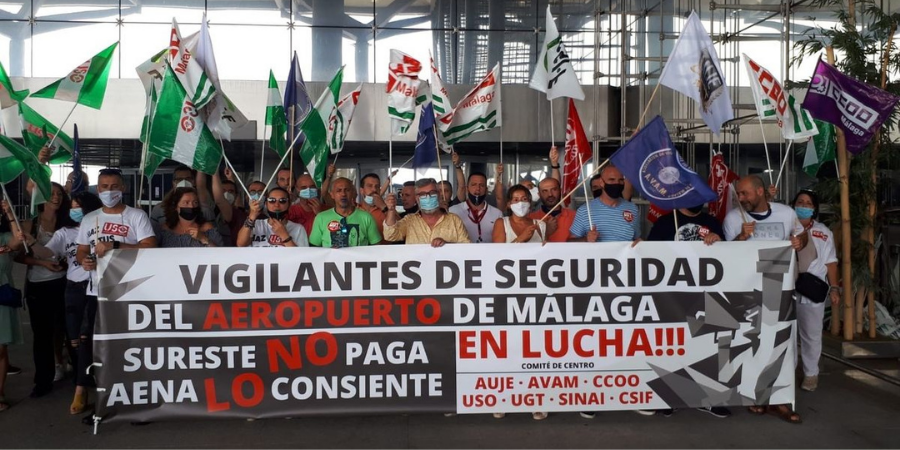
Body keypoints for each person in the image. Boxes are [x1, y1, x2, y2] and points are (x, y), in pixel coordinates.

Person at [723, 174, 805, 424]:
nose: (741, 198)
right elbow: (725, 257)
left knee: (783, 343)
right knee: (753, 342)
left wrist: (800, 241)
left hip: (781, 291)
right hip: (748, 293)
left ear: (760, 191)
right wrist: (740, 239)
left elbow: (802, 236)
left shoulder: (786, 213)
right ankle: (756, 396)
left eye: (745, 193)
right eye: (739, 194)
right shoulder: (733, 218)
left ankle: (781, 399)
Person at [75, 169, 156, 419]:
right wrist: (84, 261)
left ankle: (137, 399)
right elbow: (81, 250)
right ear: (97, 189)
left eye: (114, 185)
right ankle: (102, 398)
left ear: (123, 188)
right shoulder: (89, 219)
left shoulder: (136, 216)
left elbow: (150, 248)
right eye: (103, 186)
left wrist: (116, 246)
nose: (109, 191)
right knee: (98, 347)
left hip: (129, 292)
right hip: (97, 293)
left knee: (131, 347)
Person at [647, 204, 730, 419]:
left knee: (706, 346)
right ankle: (669, 398)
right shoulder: (665, 222)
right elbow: (648, 254)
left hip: (705, 292)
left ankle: (710, 399)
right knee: (671, 348)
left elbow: (730, 256)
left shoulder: (712, 223)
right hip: (671, 293)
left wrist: (719, 242)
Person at [26, 191, 103, 415]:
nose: (74, 210)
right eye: (72, 206)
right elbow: (48, 252)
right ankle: (82, 384)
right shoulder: (65, 232)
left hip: (99, 289)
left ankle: (90, 381)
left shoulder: (100, 228)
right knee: (75, 339)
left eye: (79, 206)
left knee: (92, 337)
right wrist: (30, 241)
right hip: (74, 289)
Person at [16, 182, 71, 397]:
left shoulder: (67, 223)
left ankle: (66, 366)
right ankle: (43, 380)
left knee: (65, 329)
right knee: (42, 335)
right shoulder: (30, 224)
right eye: (51, 194)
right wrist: (43, 263)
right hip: (39, 286)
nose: (56, 197)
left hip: (65, 282)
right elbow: (19, 256)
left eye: (59, 194)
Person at [791, 189, 839, 393]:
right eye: (800, 202)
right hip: (787, 287)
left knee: (811, 335)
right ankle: (787, 372)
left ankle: (811, 374)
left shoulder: (823, 231)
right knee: (788, 334)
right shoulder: (786, 227)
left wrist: (834, 287)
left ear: (814, 208)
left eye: (808, 203)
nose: (803, 205)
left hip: (812, 290)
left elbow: (831, 262)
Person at [0, 207, 30, 413]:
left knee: (0, 348)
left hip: (2, 295)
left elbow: (18, 240)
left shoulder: (4, 238)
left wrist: (10, 213)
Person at [383, 178, 470, 246]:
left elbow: (467, 248)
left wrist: (447, 246)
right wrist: (391, 210)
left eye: (432, 193)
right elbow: (390, 235)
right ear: (417, 198)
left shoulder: (454, 220)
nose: (428, 197)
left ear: (439, 195)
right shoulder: (409, 221)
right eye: (423, 194)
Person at [568, 165, 640, 245]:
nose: (616, 183)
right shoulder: (585, 210)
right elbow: (569, 242)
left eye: (620, 180)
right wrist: (586, 239)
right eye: (611, 180)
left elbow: (637, 239)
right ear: (601, 183)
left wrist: (641, 243)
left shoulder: (633, 209)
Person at [309, 178, 381, 248]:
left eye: (347, 190)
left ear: (353, 193)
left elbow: (377, 248)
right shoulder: (321, 218)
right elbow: (313, 250)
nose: (343, 194)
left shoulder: (366, 217)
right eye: (339, 191)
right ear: (332, 195)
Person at [237, 187, 309, 248]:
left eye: (282, 201)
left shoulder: (298, 228)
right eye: (272, 200)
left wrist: (284, 236)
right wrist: (252, 216)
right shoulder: (256, 224)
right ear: (266, 204)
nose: (277, 205)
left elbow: (301, 258)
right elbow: (240, 244)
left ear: (289, 205)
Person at [154, 187, 224, 248]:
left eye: (195, 202)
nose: (191, 206)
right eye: (186, 202)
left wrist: (204, 239)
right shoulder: (164, 229)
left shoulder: (207, 228)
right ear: (175, 206)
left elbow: (221, 254)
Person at [150, 165, 214, 225]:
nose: (184, 182)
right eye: (179, 179)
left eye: (188, 179)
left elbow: (212, 234)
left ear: (193, 181)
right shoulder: (159, 209)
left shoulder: (204, 210)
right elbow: (154, 234)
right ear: (173, 183)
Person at [449, 172, 503, 243]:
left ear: (486, 190)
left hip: (488, 253)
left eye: (482, 185)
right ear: (467, 189)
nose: (478, 188)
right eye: (474, 185)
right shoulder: (453, 211)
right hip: (462, 253)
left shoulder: (497, 214)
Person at [647, 204, 724, 245]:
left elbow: (726, 252)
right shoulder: (663, 223)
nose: (696, 199)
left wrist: (719, 241)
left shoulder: (712, 222)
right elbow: (650, 250)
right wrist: (640, 245)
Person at [529, 177, 576, 242]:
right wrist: (546, 231)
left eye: (554, 189)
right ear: (539, 194)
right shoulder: (530, 218)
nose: (550, 194)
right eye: (545, 191)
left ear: (560, 191)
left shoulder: (575, 216)